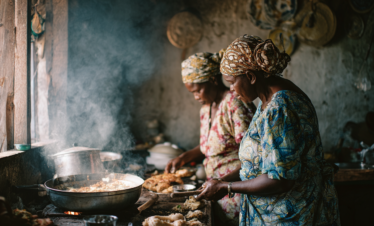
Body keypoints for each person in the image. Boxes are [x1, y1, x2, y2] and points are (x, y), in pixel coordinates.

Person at [196, 35, 340, 225]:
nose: (232, 90)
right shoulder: (267, 101)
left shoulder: (281, 107)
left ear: (251, 77)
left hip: (290, 214)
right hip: (272, 211)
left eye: (232, 82)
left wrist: (227, 187)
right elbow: (258, 165)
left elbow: (280, 179)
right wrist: (220, 180)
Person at [165, 50, 256, 224]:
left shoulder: (235, 103)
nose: (196, 96)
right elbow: (208, 146)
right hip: (216, 191)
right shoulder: (206, 108)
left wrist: (223, 183)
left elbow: (253, 157)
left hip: (235, 192)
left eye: (198, 90)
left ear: (213, 80)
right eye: (192, 93)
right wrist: (184, 157)